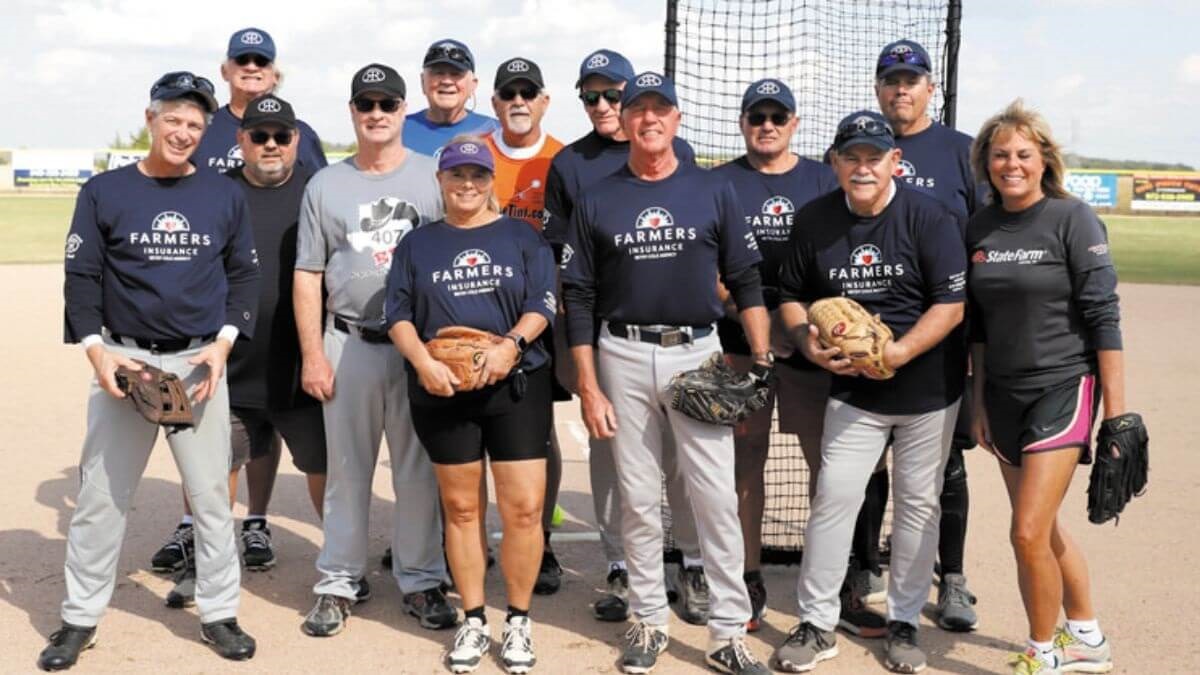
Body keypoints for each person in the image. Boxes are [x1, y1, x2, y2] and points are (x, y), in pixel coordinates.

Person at [42, 70, 259, 670]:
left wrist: (222, 345)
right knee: (100, 499)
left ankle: (219, 613)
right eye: (174, 119)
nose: (184, 131)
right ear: (151, 119)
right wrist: (97, 351)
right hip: (127, 363)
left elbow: (244, 275)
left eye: (196, 123)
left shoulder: (223, 194)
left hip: (197, 362)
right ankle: (79, 618)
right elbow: (81, 278)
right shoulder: (105, 191)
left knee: (212, 497)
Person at [562, 72, 771, 675]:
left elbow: (747, 279)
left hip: (697, 352)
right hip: (621, 351)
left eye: (661, 109)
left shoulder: (713, 191)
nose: (649, 119)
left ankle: (728, 631)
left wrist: (760, 360)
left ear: (677, 120)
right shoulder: (598, 196)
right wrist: (588, 383)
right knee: (637, 498)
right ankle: (649, 621)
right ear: (624, 122)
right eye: (638, 110)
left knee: (713, 498)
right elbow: (576, 294)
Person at [771, 111, 966, 674]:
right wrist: (809, 344)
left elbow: (950, 305)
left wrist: (899, 353)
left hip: (928, 389)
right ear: (834, 162)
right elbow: (791, 296)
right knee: (833, 498)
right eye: (850, 157)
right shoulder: (814, 221)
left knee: (917, 507)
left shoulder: (931, 218)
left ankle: (904, 622)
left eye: (873, 157)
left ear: (893, 162)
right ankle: (816, 622)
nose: (862, 168)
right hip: (852, 391)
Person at [150, 25, 328, 580]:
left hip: (298, 347)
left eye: (281, 134)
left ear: (294, 138)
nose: (270, 143)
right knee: (217, 449)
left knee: (304, 450)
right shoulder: (217, 174)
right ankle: (204, 541)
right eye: (259, 136)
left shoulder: (315, 181)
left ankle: (309, 545)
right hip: (226, 341)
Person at [544, 48, 708, 626]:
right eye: (591, 96)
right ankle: (620, 564)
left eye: (614, 94)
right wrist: (578, 352)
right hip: (611, 334)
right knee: (612, 455)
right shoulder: (571, 164)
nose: (604, 106)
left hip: (680, 333)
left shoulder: (676, 151)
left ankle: (690, 562)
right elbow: (566, 267)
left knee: (684, 462)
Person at [385, 138, 556, 675]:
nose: (467, 184)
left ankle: (520, 620)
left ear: (490, 181)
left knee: (525, 509)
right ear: (440, 180)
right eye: (456, 174)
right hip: (443, 389)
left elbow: (543, 302)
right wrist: (422, 363)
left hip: (515, 385)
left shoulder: (520, 236)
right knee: (461, 509)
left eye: (477, 175)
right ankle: (475, 618)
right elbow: (398, 313)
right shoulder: (418, 244)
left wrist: (510, 346)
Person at [295, 63, 452, 637]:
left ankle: (420, 579)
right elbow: (308, 272)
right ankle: (339, 581)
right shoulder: (326, 184)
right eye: (367, 104)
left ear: (403, 110)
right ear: (354, 112)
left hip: (416, 347)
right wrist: (314, 354)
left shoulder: (432, 177)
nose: (377, 113)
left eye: (388, 103)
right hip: (350, 342)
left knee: (418, 471)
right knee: (347, 472)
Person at [967, 99, 1121, 675]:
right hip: (1002, 396)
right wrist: (979, 401)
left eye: (1023, 154)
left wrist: (1119, 416)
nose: (1012, 163)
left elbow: (1105, 316)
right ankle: (1087, 636)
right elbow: (978, 326)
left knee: (1026, 530)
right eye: (1001, 154)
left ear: (1043, 160)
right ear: (987, 162)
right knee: (1044, 528)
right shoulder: (978, 226)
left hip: (1062, 385)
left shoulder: (1073, 218)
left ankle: (1043, 651)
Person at [840, 39, 987, 634]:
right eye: (892, 80)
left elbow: (986, 234)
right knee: (867, 462)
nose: (902, 89)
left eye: (912, 79)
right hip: (866, 341)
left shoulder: (963, 152)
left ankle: (951, 576)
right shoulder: (863, 147)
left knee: (944, 467)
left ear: (931, 87)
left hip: (943, 334)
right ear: (879, 89)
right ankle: (866, 567)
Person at [712, 78, 837, 633]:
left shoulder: (820, 179)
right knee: (745, 457)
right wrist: (753, 320)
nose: (767, 125)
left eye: (777, 116)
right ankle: (748, 572)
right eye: (756, 116)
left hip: (812, 342)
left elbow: (837, 260)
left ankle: (829, 574)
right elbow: (705, 267)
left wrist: (807, 326)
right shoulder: (720, 183)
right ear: (742, 123)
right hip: (741, 343)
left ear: (794, 124)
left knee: (825, 462)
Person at [482, 56, 568, 596]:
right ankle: (461, 538)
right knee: (471, 423)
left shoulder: (562, 160)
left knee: (541, 431)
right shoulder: (474, 155)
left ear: (543, 100)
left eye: (528, 92)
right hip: (480, 308)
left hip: (542, 312)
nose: (518, 101)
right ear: (494, 103)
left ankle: (540, 536)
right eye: (508, 92)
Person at [192, 27, 327, 173]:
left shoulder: (302, 135)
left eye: (261, 61)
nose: (251, 67)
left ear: (276, 76)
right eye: (242, 60)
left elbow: (320, 191)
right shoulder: (201, 128)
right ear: (225, 71)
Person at [403, 39, 500, 157]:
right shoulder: (398, 130)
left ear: (473, 84)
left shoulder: (496, 132)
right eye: (438, 73)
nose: (447, 81)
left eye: (456, 74)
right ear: (423, 81)